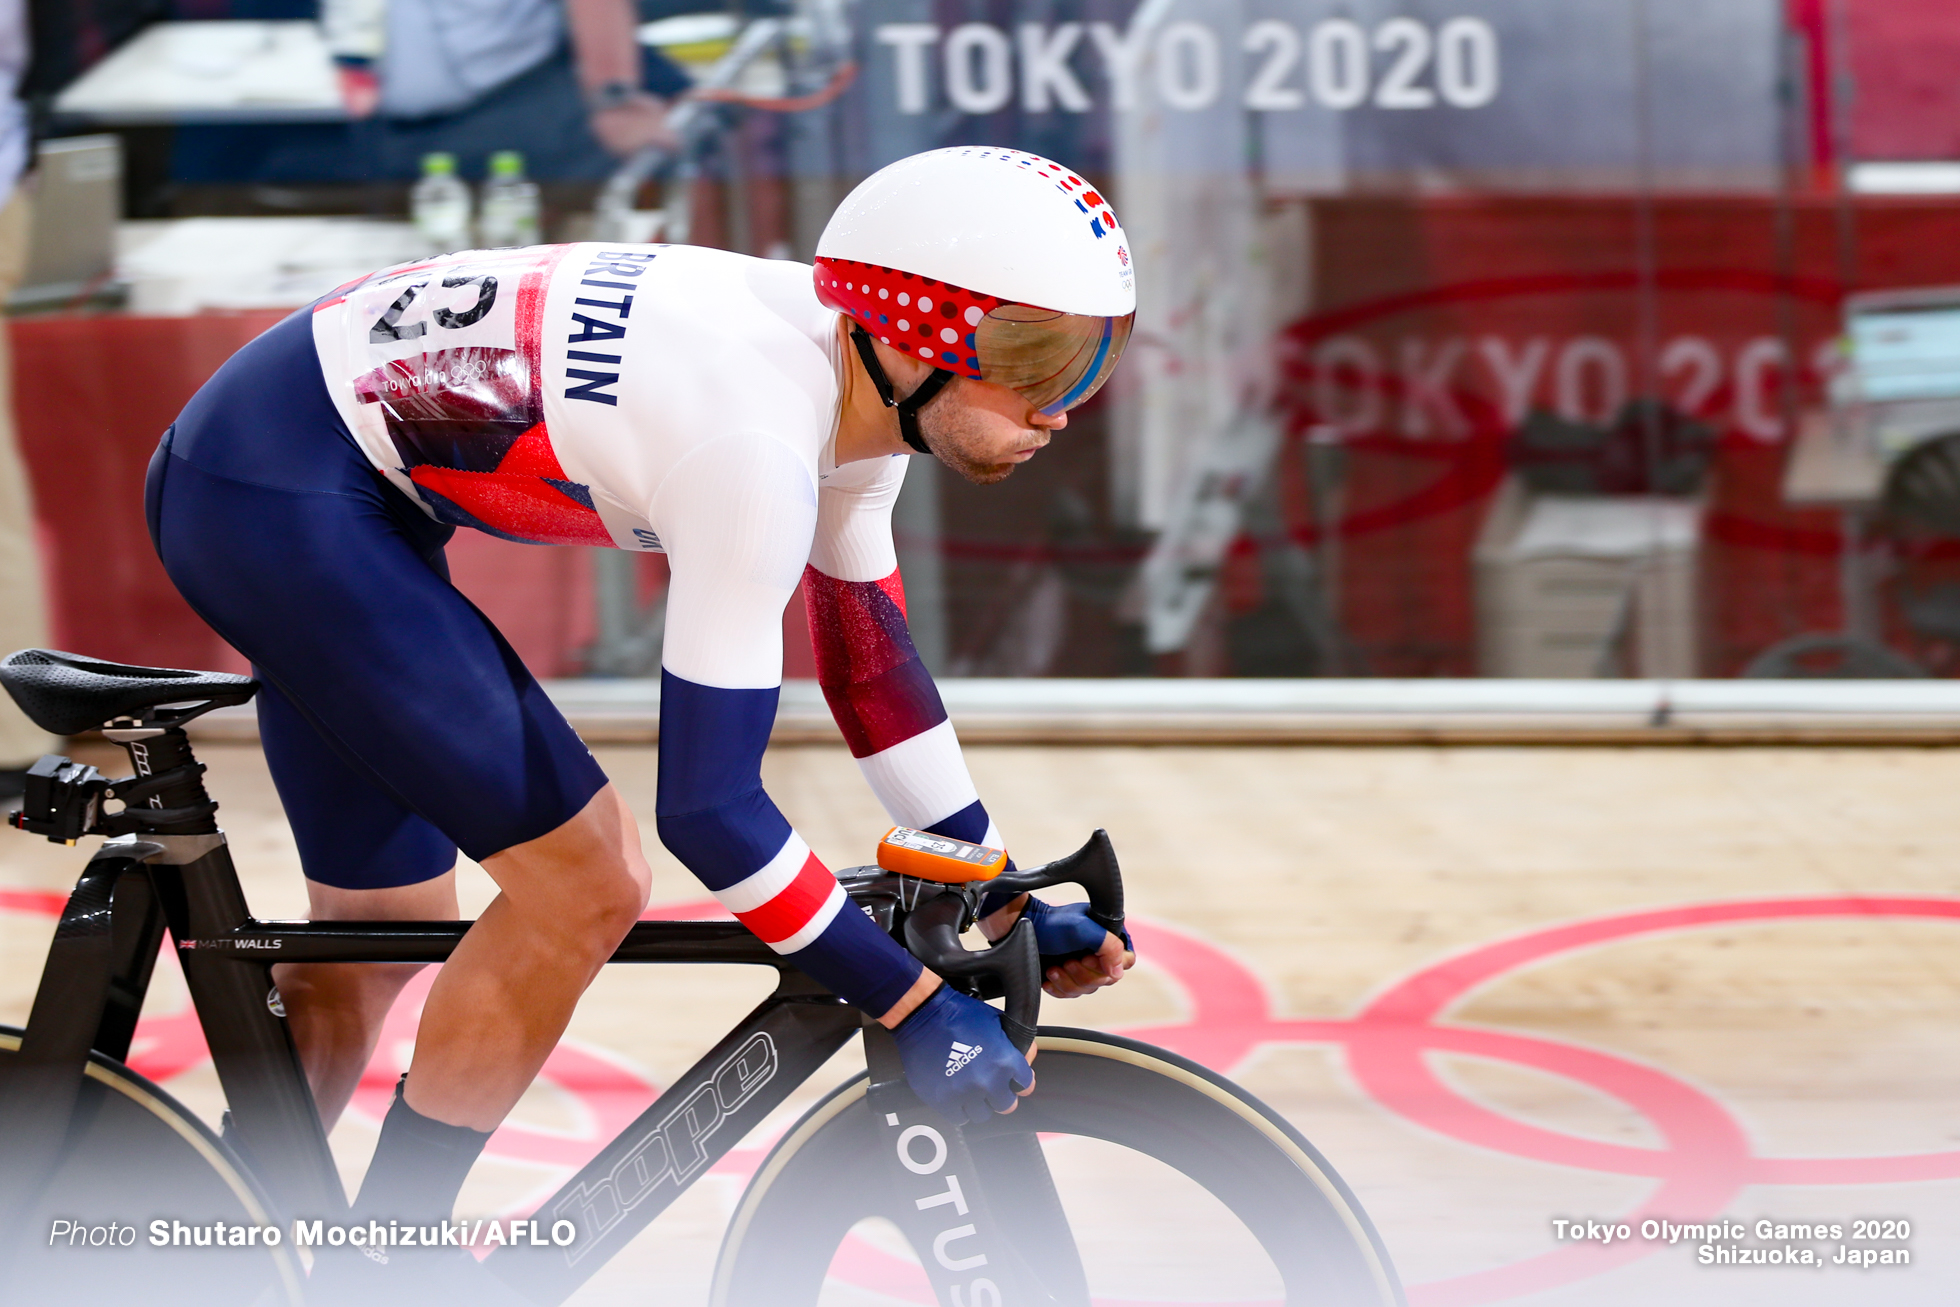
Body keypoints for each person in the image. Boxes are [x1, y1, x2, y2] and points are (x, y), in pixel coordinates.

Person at [144, 146, 1136, 1297]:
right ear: (911, 334)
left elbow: (873, 679)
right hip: (279, 488)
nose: (1061, 406)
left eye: (1090, 356)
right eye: (1036, 356)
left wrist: (1000, 887)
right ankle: (389, 1267)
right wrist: (910, 1001)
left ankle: (211, 1246)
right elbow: (709, 812)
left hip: (309, 467)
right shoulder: (756, 448)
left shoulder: (851, 397)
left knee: (369, 946)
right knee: (588, 880)